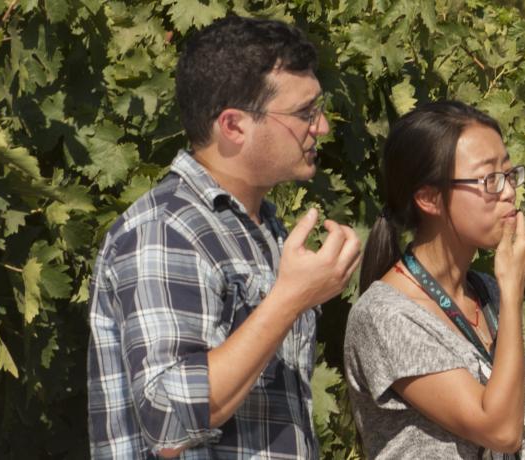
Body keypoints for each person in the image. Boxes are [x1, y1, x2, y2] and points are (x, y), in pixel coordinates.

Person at [87, 16, 357, 458]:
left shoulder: (261, 228)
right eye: (304, 113)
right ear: (233, 126)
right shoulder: (166, 230)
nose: (321, 126)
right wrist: (289, 299)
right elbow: (168, 416)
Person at [343, 101, 525, 458]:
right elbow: (500, 430)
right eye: (489, 179)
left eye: (509, 173)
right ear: (429, 198)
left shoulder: (484, 292)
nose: (508, 192)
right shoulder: (386, 316)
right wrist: (513, 292)